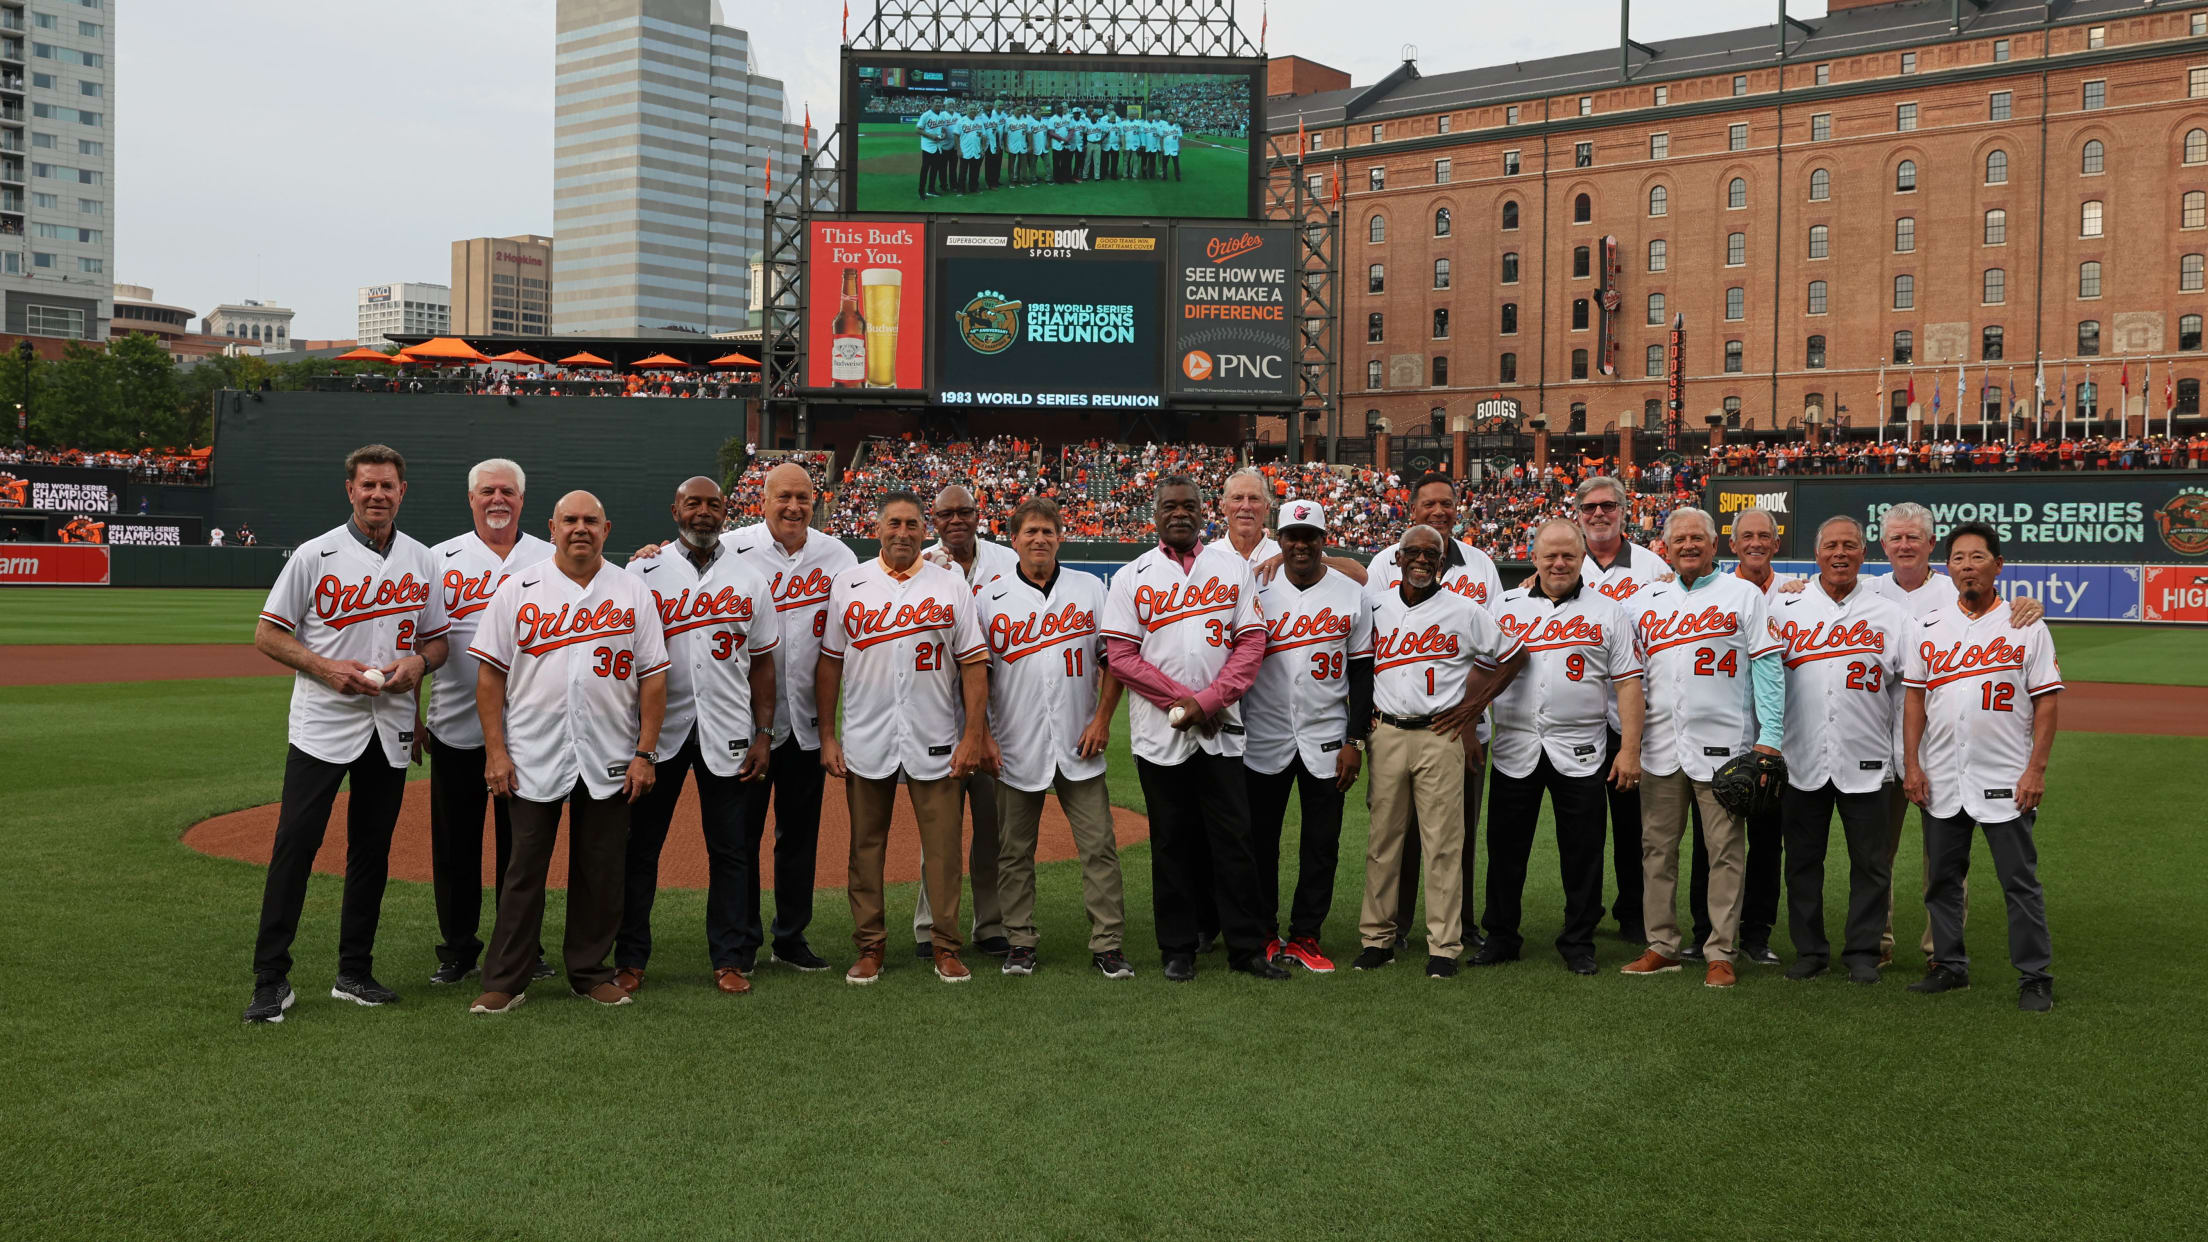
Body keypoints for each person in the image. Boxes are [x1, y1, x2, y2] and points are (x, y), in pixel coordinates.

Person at [242, 444, 451, 1024]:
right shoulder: (315, 555)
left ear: (402, 492)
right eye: (368, 486)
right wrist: (326, 668)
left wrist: (419, 667)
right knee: (295, 847)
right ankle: (271, 978)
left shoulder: (422, 559)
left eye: (388, 485)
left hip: (388, 727)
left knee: (371, 852)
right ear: (350, 492)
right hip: (322, 725)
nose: (378, 495)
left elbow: (438, 640)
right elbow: (267, 634)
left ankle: (354, 971)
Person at [1781, 501, 2041, 967]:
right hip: (1877, 742)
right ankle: (1877, 944)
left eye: (1913, 537)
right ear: (1881, 546)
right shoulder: (1873, 588)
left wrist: (2028, 604)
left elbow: (1998, 614)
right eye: (1896, 537)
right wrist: (1794, 585)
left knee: (1943, 855)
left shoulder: (1952, 588)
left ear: (1930, 544)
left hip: (1940, 744)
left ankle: (1941, 950)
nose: (1904, 545)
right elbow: (1821, 590)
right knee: (1880, 854)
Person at [634, 462, 856, 973]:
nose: (794, 507)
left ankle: (791, 936)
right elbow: (682, 556)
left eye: (802, 497)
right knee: (741, 838)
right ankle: (745, 942)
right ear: (763, 500)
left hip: (803, 716)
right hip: (738, 720)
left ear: (815, 500)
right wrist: (649, 552)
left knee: (798, 837)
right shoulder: (733, 545)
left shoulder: (837, 555)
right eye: (783, 497)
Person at [466, 492, 667, 1015]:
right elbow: (490, 676)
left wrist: (646, 753)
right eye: (570, 521)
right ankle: (506, 978)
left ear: (607, 529)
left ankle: (589, 971)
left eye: (591, 522)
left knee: (602, 869)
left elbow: (653, 678)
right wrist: (495, 751)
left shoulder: (631, 590)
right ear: (551, 527)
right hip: (534, 749)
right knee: (523, 869)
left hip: (609, 751)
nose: (581, 529)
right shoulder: (518, 588)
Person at [1101, 474, 1286, 982]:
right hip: (1160, 733)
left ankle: (1246, 948)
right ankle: (1177, 946)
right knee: (1171, 841)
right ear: (1155, 513)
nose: (1180, 513)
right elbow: (1121, 656)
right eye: (1170, 506)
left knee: (1235, 841)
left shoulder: (1231, 566)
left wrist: (1208, 700)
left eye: (1189, 505)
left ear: (1205, 512)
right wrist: (1181, 704)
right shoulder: (1132, 574)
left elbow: (1251, 644)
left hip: (1222, 729)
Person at [817, 492, 996, 985]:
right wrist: (827, 735)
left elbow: (974, 664)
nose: (902, 532)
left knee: (942, 849)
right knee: (864, 847)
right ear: (877, 529)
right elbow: (830, 662)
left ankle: (945, 945)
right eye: (893, 523)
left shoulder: (950, 583)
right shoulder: (849, 582)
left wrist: (972, 736)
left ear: (924, 531)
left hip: (935, 733)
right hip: (866, 732)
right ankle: (870, 945)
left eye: (912, 524)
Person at [614, 477, 779, 997]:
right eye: (693, 503)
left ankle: (729, 958)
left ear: (726, 511)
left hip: (728, 728)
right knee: (640, 850)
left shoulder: (748, 575)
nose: (703, 512)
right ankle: (630, 958)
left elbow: (764, 663)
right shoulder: (641, 571)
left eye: (713, 504)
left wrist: (763, 732)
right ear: (675, 509)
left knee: (731, 850)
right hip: (657, 733)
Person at [1619, 506, 1784, 989]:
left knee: (1726, 853)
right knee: (1657, 850)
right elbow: (1604, 630)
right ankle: (1661, 945)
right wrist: (1526, 589)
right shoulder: (1644, 600)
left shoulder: (1743, 594)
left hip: (1725, 749)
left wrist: (1769, 736)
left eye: (1698, 538)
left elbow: (1768, 667)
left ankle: (1721, 950)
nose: (1688, 546)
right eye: (1679, 540)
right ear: (1664, 548)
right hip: (1660, 745)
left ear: (1715, 545)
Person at [1902, 522, 2062, 1012]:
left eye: (1977, 557)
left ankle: (2035, 976)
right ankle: (1950, 966)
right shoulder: (1927, 625)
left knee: (2019, 882)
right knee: (1943, 881)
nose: (1967, 566)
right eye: (1958, 558)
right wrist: (1912, 765)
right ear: (1946, 567)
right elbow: (1914, 701)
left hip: (2005, 777)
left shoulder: (2025, 624)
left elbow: (2048, 704)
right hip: (1943, 774)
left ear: (1998, 565)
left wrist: (2036, 770)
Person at [1355, 524, 1524, 978]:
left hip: (1440, 734)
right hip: (1387, 733)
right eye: (1414, 552)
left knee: (1444, 844)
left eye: (1433, 553)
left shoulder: (1465, 611)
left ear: (1444, 562)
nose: (1423, 560)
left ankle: (1444, 947)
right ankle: (1377, 939)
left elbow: (1515, 654)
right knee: (1383, 842)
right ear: (1398, 557)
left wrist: (1473, 708)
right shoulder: (1374, 607)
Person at [1481, 519, 1643, 976]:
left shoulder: (1609, 611)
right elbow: (1480, 673)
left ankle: (1578, 940)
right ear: (1533, 557)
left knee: (1583, 850)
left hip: (1583, 749)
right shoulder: (1505, 605)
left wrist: (1629, 750)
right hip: (1515, 747)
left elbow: (1629, 685)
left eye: (1568, 556)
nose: (1558, 563)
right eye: (1549, 555)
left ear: (1582, 559)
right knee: (1506, 848)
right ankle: (1501, 936)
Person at [980, 497, 1133, 979]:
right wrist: (983, 735)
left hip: (1079, 741)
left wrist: (1104, 720)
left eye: (1048, 531)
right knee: (1013, 852)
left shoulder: (1090, 589)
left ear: (1060, 536)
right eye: (1030, 532)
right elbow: (974, 676)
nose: (1039, 539)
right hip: (1015, 742)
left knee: (1099, 848)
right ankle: (1020, 941)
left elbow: (1115, 660)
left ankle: (1107, 944)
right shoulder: (990, 596)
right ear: (1014, 539)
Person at [424, 458, 553, 987]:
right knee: (456, 844)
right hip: (455, 722)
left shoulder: (550, 558)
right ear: (470, 498)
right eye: (487, 491)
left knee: (522, 847)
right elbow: (416, 640)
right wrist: (414, 716)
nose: (497, 499)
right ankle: (458, 947)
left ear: (523, 500)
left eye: (508, 491)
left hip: (528, 728)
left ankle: (522, 944)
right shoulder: (440, 559)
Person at [1769, 516, 1908, 984]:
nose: (1840, 553)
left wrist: (1903, 757)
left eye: (1850, 545)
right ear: (1817, 554)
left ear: (1863, 554)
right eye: (1831, 546)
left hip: (1867, 759)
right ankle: (1809, 951)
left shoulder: (1889, 614)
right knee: (1803, 862)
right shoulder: (1786, 608)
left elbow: (1905, 694)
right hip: (1800, 758)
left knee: (1870, 863)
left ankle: (1863, 952)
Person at [1242, 501, 1373, 972]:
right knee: (1261, 840)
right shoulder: (1255, 589)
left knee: (1322, 842)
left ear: (1324, 540)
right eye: (1292, 535)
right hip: (1263, 734)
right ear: (1279, 539)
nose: (1301, 544)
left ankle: (1306, 935)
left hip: (1327, 737)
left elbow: (1362, 675)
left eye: (1310, 536)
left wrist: (1354, 742)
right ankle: (1263, 932)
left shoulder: (1350, 593)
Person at [912, 484, 1022, 959]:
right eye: (945, 514)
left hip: (997, 717)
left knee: (991, 828)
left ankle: (990, 923)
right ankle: (928, 924)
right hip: (939, 717)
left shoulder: (1005, 560)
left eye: (965, 512)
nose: (956, 520)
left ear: (979, 515)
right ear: (932, 521)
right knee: (939, 830)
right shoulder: (920, 564)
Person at [1683, 507, 1787, 965]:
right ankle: (1704, 930)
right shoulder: (1721, 591)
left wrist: (1772, 735)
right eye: (1747, 535)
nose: (1756, 543)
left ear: (1776, 543)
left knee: (1766, 840)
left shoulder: (1796, 593)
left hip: (1771, 738)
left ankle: (1757, 933)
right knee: (1713, 843)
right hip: (1722, 738)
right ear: (1732, 543)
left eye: (1764, 535)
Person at [1574, 473, 1668, 945]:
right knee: (1586, 828)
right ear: (1578, 514)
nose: (1598, 514)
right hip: (1586, 718)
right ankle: (1585, 914)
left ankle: (1634, 912)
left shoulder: (1653, 567)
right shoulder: (1568, 566)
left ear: (1625, 511)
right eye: (1589, 507)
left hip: (1637, 717)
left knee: (1636, 828)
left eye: (1607, 506)